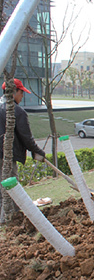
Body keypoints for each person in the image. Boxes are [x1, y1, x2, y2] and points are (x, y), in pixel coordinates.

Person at [0, 78, 46, 221]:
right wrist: (38, 151)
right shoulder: (16, 111)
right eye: (21, 92)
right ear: (14, 92)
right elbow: (26, 138)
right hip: (6, 157)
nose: (22, 96)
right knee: (11, 189)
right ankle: (11, 220)